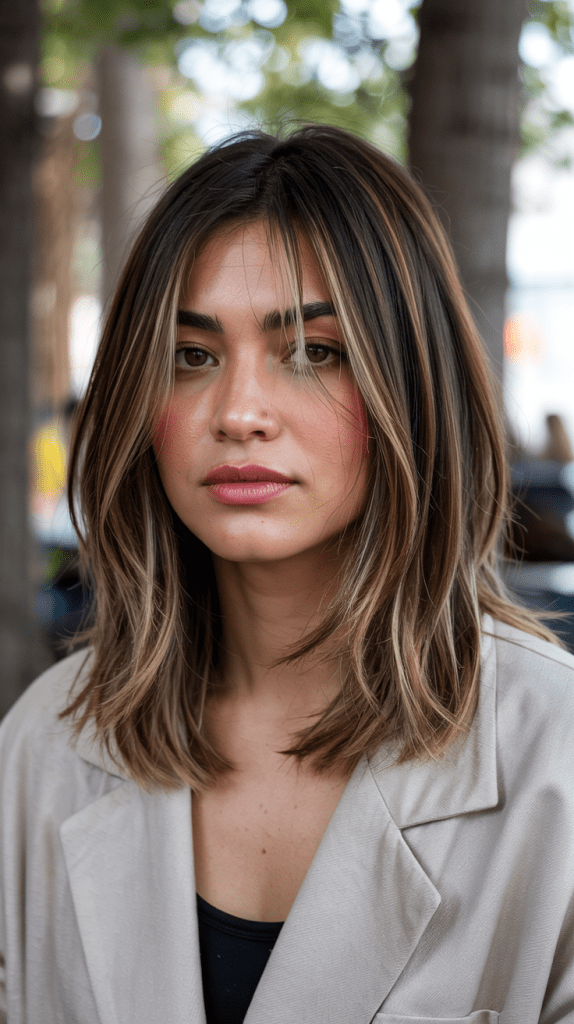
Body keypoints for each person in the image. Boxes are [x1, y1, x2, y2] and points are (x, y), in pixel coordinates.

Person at [1, 124, 574, 1024]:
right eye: (191, 357)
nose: (238, 412)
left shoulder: (559, 757)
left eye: (314, 351)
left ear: (412, 384)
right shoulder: (45, 747)